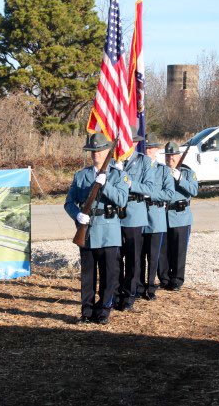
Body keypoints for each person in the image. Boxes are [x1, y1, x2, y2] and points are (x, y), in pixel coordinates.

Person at [64, 133, 128, 325]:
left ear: (108, 151)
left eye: (99, 151)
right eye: (93, 151)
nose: (96, 155)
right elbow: (68, 202)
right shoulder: (81, 175)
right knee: (87, 276)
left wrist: (105, 183)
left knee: (109, 275)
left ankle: (104, 311)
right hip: (88, 231)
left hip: (109, 231)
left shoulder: (118, 176)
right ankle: (87, 311)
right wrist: (77, 214)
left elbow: (122, 200)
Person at [113, 127, 155, 311]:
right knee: (115, 258)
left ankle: (130, 295)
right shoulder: (113, 161)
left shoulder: (145, 162)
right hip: (114, 214)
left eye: (130, 142)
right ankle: (114, 294)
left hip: (134, 214)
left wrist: (129, 182)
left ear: (136, 143)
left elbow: (149, 188)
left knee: (133, 257)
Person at [136, 133, 175, 300]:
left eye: (151, 148)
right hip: (138, 216)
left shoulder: (163, 170)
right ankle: (137, 287)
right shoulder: (136, 169)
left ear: (157, 150)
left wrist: (150, 194)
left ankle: (150, 288)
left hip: (156, 217)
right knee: (138, 256)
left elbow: (169, 193)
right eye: (146, 148)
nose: (148, 151)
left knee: (153, 257)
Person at [163, 141, 199, 291]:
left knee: (179, 250)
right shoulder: (162, 171)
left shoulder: (188, 173)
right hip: (164, 215)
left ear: (178, 156)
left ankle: (177, 279)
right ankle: (164, 278)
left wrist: (180, 179)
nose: (170, 159)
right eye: (168, 156)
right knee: (164, 250)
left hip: (180, 215)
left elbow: (194, 190)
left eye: (173, 156)